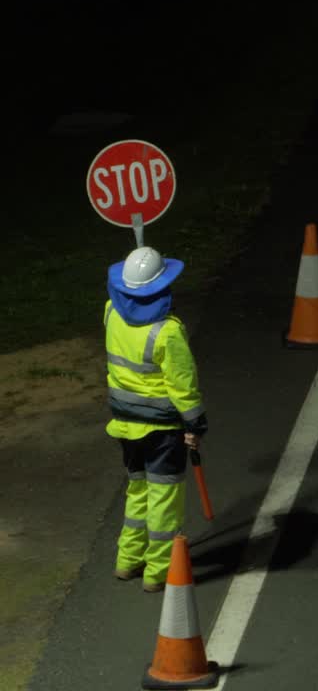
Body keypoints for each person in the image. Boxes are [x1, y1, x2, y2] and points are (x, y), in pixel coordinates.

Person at [104, 246, 208, 592]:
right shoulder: (168, 331)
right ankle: (158, 572)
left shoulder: (110, 314)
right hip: (162, 430)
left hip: (124, 424)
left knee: (137, 490)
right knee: (163, 498)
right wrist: (194, 424)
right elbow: (183, 385)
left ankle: (127, 560)